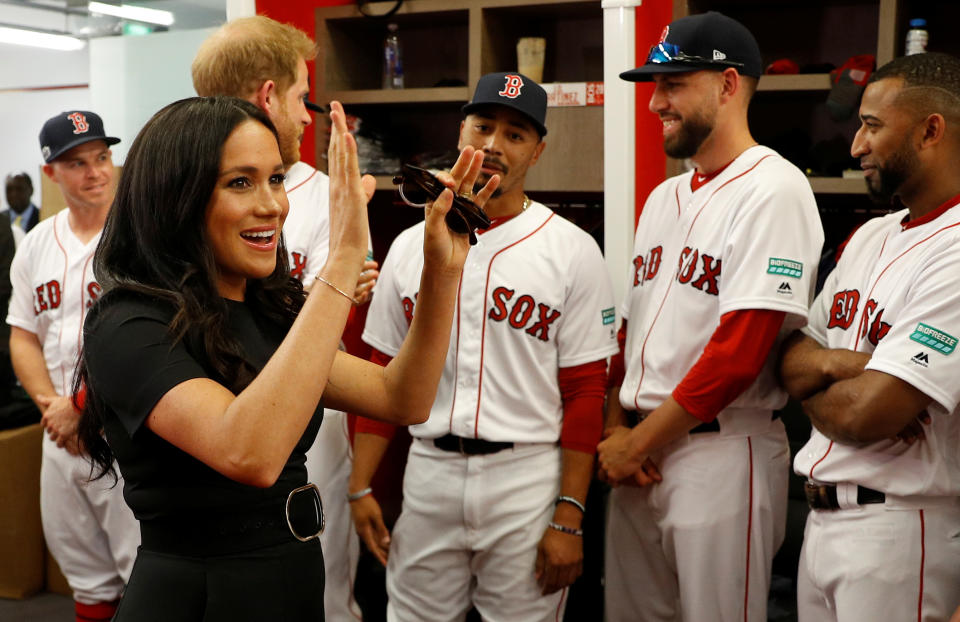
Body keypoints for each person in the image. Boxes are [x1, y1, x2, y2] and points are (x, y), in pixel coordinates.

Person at [75, 95, 495, 622]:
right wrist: (343, 261)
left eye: (276, 179)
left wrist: (442, 272)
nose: (272, 205)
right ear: (176, 196)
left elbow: (403, 396)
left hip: (290, 581)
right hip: (199, 597)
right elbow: (250, 452)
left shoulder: (268, 311)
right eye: (240, 182)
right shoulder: (127, 322)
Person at [348, 72, 618, 621]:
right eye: (484, 126)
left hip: (526, 479)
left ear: (538, 151)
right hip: (428, 474)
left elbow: (587, 391)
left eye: (516, 134)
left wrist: (569, 516)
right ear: (461, 131)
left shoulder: (572, 250)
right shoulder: (408, 245)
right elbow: (379, 371)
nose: (493, 145)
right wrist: (359, 485)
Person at [598, 12, 824, 621]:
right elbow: (633, 333)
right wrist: (619, 429)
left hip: (720, 454)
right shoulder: (664, 196)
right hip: (642, 453)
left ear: (728, 85)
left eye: (673, 84)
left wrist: (634, 442)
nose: (654, 103)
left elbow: (738, 354)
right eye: (654, 85)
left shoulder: (774, 189)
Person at [192, 19, 377, 617]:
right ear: (268, 96)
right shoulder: (179, 192)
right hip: (201, 422)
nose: (307, 116)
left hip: (306, 421)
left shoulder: (328, 193)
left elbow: (332, 331)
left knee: (318, 596)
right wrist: (336, 289)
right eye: (301, 98)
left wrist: (339, 288)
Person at [778, 52, 960, 622]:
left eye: (872, 126)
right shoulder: (868, 235)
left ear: (931, 130)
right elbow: (788, 359)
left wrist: (823, 372)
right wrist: (853, 365)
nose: (856, 145)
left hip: (901, 530)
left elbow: (869, 415)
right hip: (821, 525)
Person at [7, 110, 139, 622]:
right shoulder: (37, 244)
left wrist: (83, 411)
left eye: (103, 157)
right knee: (85, 576)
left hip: (127, 431)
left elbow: (148, 344)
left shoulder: (142, 236)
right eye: (78, 163)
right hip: (60, 433)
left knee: (145, 570)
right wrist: (55, 411)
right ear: (51, 173)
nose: (96, 172)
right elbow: (23, 335)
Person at [4, 171, 40, 237]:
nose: (14, 194)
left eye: (19, 189)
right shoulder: (1, 219)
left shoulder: (42, 217)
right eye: (9, 190)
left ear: (31, 190)